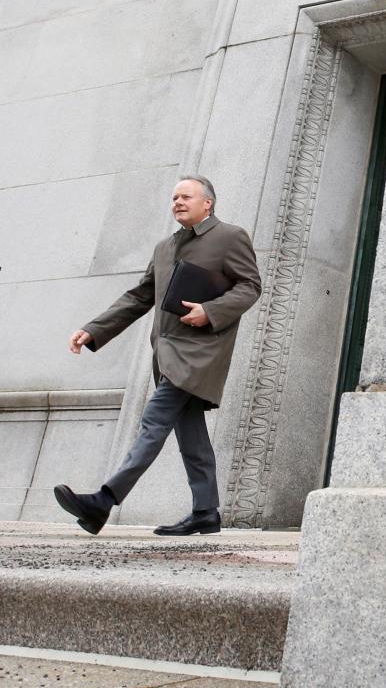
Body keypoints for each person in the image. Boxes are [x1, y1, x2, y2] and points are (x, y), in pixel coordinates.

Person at [53, 176, 262, 536]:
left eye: (186, 196)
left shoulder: (230, 237)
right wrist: (94, 329)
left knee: (153, 421)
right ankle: (206, 512)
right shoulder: (165, 247)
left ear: (207, 203)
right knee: (191, 435)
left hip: (199, 353)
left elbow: (250, 285)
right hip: (167, 354)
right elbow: (139, 296)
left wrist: (210, 310)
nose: (177, 202)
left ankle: (104, 500)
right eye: (174, 197)